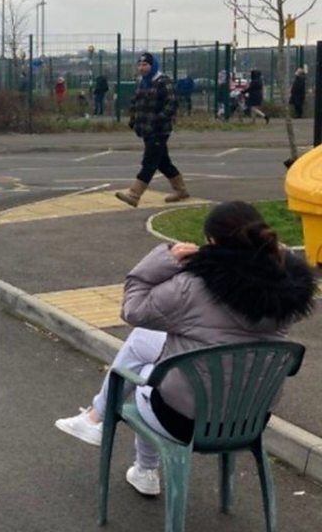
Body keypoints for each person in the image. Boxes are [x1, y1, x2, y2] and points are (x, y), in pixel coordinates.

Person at [55, 201, 315, 496]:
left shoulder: (192, 288)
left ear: (212, 244)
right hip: (248, 419)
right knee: (148, 347)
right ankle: (96, 420)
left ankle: (136, 459)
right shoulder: (288, 292)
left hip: (182, 419)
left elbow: (133, 309)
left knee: (148, 372)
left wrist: (165, 259)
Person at [116, 52, 186, 207]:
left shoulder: (163, 81)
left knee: (149, 161)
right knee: (163, 162)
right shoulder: (142, 82)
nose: (142, 68)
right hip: (146, 130)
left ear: (152, 65)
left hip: (159, 130)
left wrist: (158, 118)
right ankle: (181, 190)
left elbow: (172, 104)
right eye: (140, 65)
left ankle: (134, 195)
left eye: (145, 65)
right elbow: (135, 102)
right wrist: (133, 119)